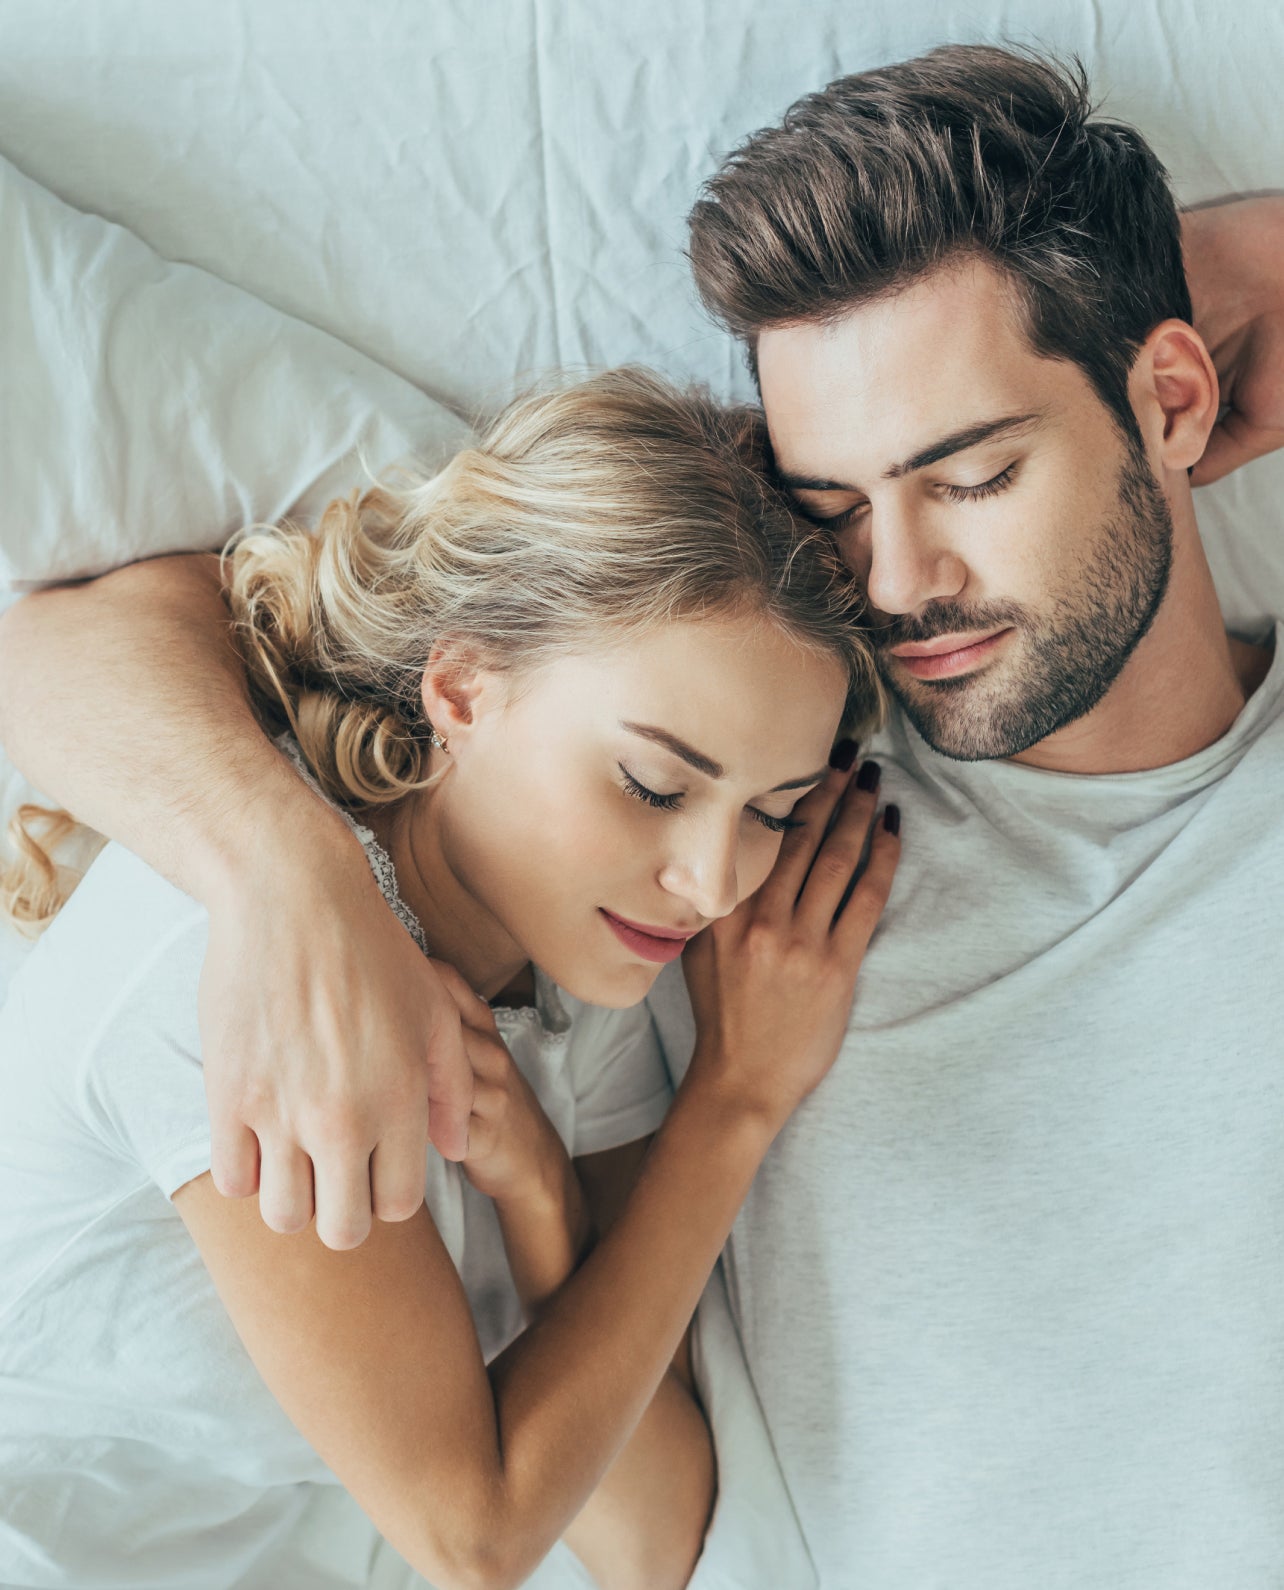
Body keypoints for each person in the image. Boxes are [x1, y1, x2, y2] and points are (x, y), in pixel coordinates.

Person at [3, 42, 1284, 1590]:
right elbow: (63, 640)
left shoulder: (707, 842)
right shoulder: (717, 710)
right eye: (834, 507)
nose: (896, 582)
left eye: (977, 473)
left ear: (1172, 390)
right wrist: (287, 877)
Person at [0, 368, 900, 1590]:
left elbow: (654, 1537)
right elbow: (475, 1535)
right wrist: (733, 1107)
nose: (714, 884)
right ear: (463, 687)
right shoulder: (235, 968)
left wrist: (542, 1196)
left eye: (773, 813)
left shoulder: (582, 982)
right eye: (654, 785)